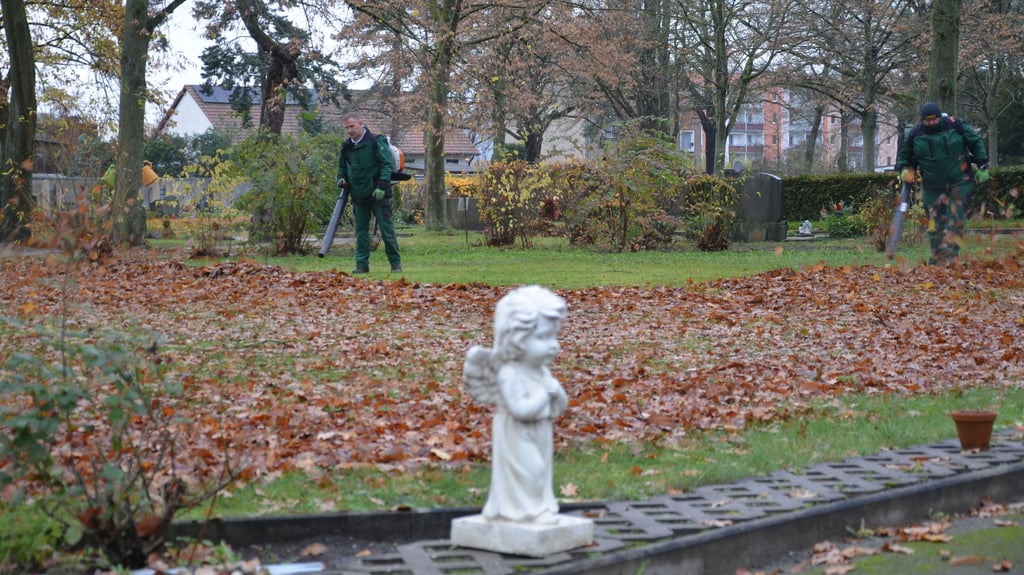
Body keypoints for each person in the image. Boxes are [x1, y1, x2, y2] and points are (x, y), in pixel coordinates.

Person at [463, 286, 569, 524]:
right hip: (517, 433)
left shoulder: (540, 371)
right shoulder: (508, 374)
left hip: (540, 430)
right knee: (530, 471)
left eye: (554, 336)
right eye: (543, 337)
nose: (553, 345)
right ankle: (525, 511)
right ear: (516, 339)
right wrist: (545, 393)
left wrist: (557, 393)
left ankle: (538, 506)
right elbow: (520, 410)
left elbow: (560, 406)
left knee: (540, 471)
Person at [895, 102, 989, 265]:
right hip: (932, 186)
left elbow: (975, 142)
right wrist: (904, 168)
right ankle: (938, 257)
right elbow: (904, 155)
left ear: (940, 117)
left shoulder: (955, 125)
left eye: (934, 119)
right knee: (934, 221)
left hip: (959, 181)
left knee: (955, 217)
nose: (931, 123)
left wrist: (982, 164)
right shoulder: (915, 134)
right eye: (928, 120)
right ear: (922, 120)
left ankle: (951, 258)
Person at [336, 113, 402, 273]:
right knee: (361, 233)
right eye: (347, 128)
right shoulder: (347, 147)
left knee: (387, 231)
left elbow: (386, 165)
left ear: (361, 123)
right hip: (358, 196)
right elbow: (342, 168)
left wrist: (382, 187)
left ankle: (395, 265)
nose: (350, 130)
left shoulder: (376, 141)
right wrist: (341, 179)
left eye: (352, 126)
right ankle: (361, 265)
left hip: (379, 195)